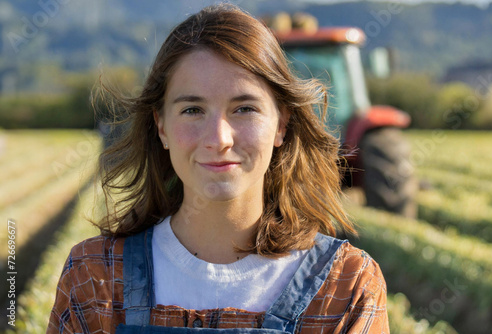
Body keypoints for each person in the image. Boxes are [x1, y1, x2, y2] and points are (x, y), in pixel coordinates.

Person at [47, 4, 389, 334]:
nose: (218, 138)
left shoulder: (346, 287)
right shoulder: (96, 281)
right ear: (161, 126)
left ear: (281, 124)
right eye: (193, 110)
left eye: (244, 109)